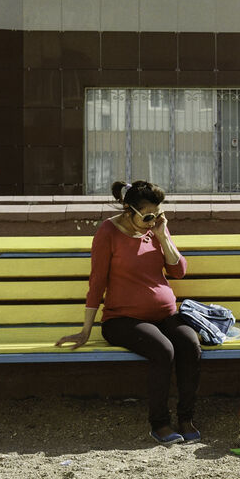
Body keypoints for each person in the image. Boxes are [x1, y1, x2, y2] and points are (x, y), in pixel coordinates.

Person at [55, 180, 201, 445]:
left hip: (165, 315)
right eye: (146, 217)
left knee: (190, 343)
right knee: (163, 350)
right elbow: (97, 282)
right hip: (122, 319)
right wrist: (86, 330)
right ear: (128, 210)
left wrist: (162, 235)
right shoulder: (108, 232)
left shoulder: (156, 228)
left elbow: (178, 271)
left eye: (157, 215)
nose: (152, 221)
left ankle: (186, 418)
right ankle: (159, 424)